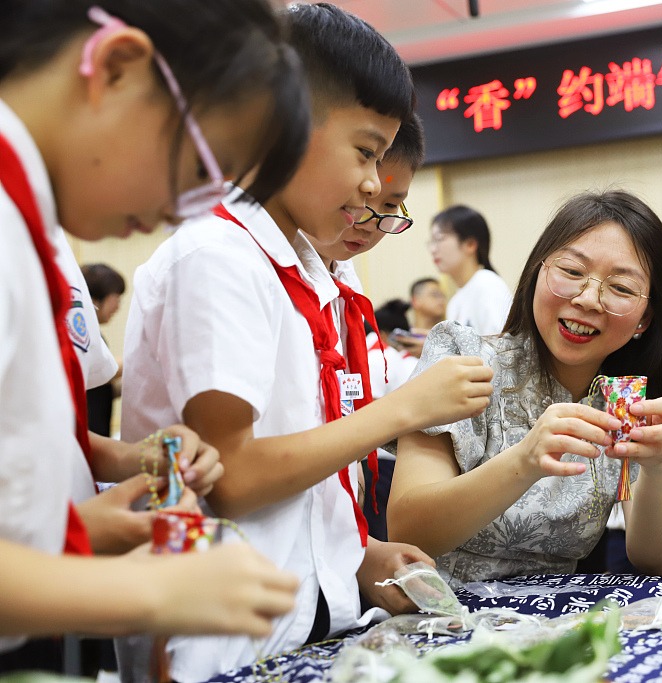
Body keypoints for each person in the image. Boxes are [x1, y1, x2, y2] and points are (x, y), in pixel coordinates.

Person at [120, 6, 493, 680]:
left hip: (304, 623)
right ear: (280, 117)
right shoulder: (218, 255)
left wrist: (358, 553)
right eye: (364, 152)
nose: (374, 185)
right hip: (219, 641)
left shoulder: (305, 268)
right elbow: (233, 478)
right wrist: (401, 409)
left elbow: (307, 459)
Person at [0, 0, 309, 667]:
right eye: (201, 170)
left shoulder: (32, 224)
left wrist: (80, 523)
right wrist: (144, 588)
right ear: (116, 67)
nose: (181, 209)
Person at [389, 190, 662, 582]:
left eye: (621, 288)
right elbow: (407, 529)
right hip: (448, 621)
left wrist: (660, 465)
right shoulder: (461, 357)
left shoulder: (624, 399)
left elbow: (654, 560)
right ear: (538, 271)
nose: (589, 299)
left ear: (644, 319)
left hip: (557, 625)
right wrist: (524, 460)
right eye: (572, 272)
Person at [306, 114, 427, 543]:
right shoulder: (253, 271)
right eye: (365, 198)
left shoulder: (344, 279)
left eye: (392, 207)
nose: (370, 222)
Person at [429, 204, 512, 335]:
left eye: (439, 239)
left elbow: (502, 348)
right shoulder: (454, 302)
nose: (433, 249)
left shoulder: (488, 284)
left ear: (470, 244)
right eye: (431, 242)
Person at [81, 262, 125, 437]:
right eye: (116, 297)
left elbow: (99, 387)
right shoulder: (83, 334)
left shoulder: (96, 335)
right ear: (94, 299)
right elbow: (95, 370)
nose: (118, 306)